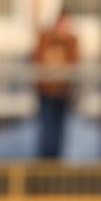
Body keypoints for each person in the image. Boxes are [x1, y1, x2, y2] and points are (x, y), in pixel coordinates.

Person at [33, 10, 79, 158]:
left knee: (59, 129)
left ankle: (56, 161)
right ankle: (45, 160)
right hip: (47, 91)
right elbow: (38, 59)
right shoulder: (45, 38)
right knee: (47, 129)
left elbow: (74, 63)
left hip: (63, 92)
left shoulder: (71, 41)